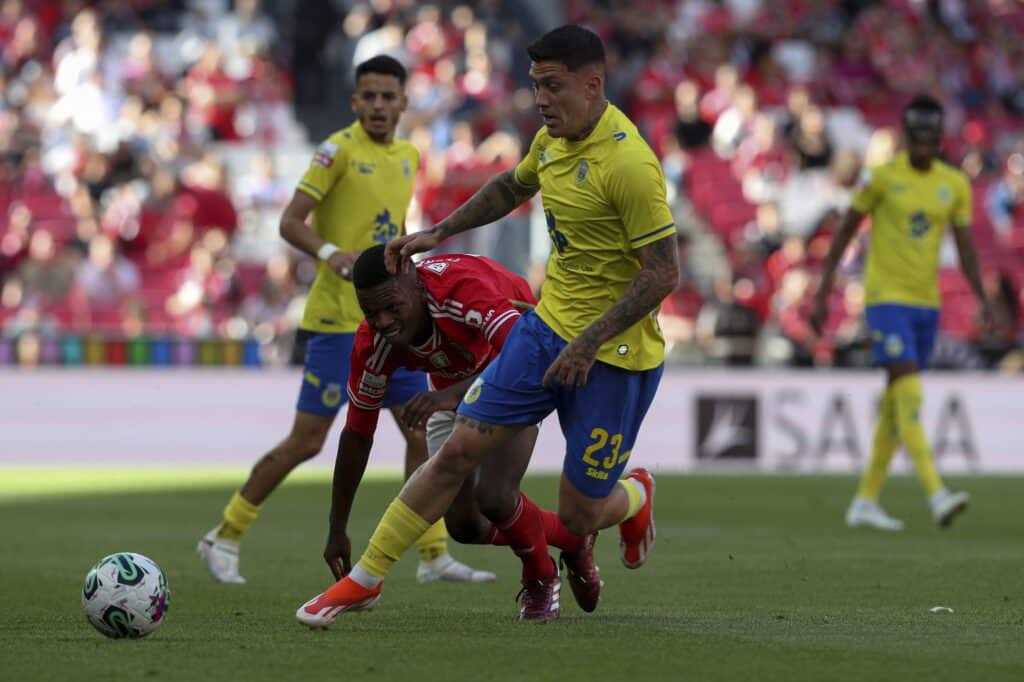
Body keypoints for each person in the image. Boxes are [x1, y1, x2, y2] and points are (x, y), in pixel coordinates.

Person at [296, 25, 680, 626]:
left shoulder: (630, 165)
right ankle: (363, 581)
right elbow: (510, 185)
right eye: (535, 87)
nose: (542, 101)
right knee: (456, 455)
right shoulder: (552, 142)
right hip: (545, 329)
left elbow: (663, 274)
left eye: (553, 87)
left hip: (615, 355)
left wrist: (588, 341)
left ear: (593, 84)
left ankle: (635, 496)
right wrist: (439, 232)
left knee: (579, 516)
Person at [198, 55, 489, 585]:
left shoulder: (407, 155)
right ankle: (226, 533)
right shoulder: (336, 151)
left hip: (392, 325)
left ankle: (432, 555)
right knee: (308, 441)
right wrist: (331, 253)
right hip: (339, 323)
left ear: (404, 102)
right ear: (355, 102)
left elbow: (393, 230)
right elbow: (290, 221)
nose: (379, 105)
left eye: (388, 96)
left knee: (418, 430)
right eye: (369, 96)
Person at [320, 245, 596, 607]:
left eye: (392, 307)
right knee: (465, 525)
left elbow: (523, 357)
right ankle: (574, 539)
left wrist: (448, 396)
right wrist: (337, 528)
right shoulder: (372, 345)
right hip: (453, 386)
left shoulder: (463, 288)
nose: (384, 321)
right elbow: (357, 433)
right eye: (372, 312)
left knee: (496, 497)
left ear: (418, 287)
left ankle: (541, 576)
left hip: (520, 370)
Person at [810, 95, 992, 531]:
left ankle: (866, 500)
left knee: (897, 402)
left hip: (926, 303)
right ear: (907, 136)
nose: (923, 143)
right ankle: (936, 492)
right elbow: (845, 232)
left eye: (930, 135)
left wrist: (982, 297)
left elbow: (966, 247)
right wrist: (823, 288)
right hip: (885, 299)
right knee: (908, 389)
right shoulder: (881, 178)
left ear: (939, 136)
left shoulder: (955, 185)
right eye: (916, 135)